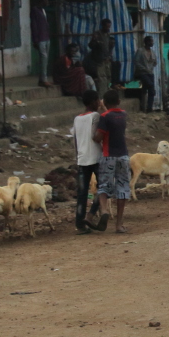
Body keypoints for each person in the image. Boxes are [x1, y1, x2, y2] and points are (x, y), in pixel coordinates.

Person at [95, 88, 131, 234]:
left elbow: (98, 137)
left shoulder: (104, 117)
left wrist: (93, 137)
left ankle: (104, 210)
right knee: (122, 189)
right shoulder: (123, 115)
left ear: (104, 102)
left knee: (104, 186)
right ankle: (119, 224)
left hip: (108, 155)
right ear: (119, 101)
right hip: (123, 156)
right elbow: (112, 114)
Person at [72, 89, 104, 234]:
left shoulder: (77, 119)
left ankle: (79, 224)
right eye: (97, 101)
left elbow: (75, 140)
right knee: (103, 188)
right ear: (93, 102)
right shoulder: (95, 116)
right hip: (96, 157)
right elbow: (95, 136)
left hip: (82, 158)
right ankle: (91, 214)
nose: (99, 103)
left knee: (82, 193)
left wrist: (78, 155)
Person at [86, 18, 114, 96]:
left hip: (107, 60)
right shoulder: (97, 34)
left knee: (108, 77)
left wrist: (109, 57)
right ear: (103, 26)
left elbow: (108, 48)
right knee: (102, 78)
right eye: (107, 26)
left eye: (109, 26)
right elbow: (91, 46)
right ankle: (102, 96)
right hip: (99, 60)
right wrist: (94, 40)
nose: (108, 28)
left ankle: (106, 94)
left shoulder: (107, 34)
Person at [133, 35, 158, 113]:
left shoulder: (152, 52)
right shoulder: (140, 51)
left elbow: (155, 62)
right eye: (151, 41)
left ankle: (147, 108)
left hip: (150, 73)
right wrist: (144, 68)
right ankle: (147, 107)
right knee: (150, 86)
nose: (152, 43)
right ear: (147, 42)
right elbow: (136, 62)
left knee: (148, 90)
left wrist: (151, 66)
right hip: (142, 73)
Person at [31, 0, 52, 87]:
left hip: (46, 37)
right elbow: (34, 25)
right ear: (41, 0)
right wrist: (35, 39)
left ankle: (42, 79)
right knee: (43, 59)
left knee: (45, 60)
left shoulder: (43, 10)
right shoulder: (35, 10)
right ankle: (44, 79)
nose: (47, 1)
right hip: (40, 38)